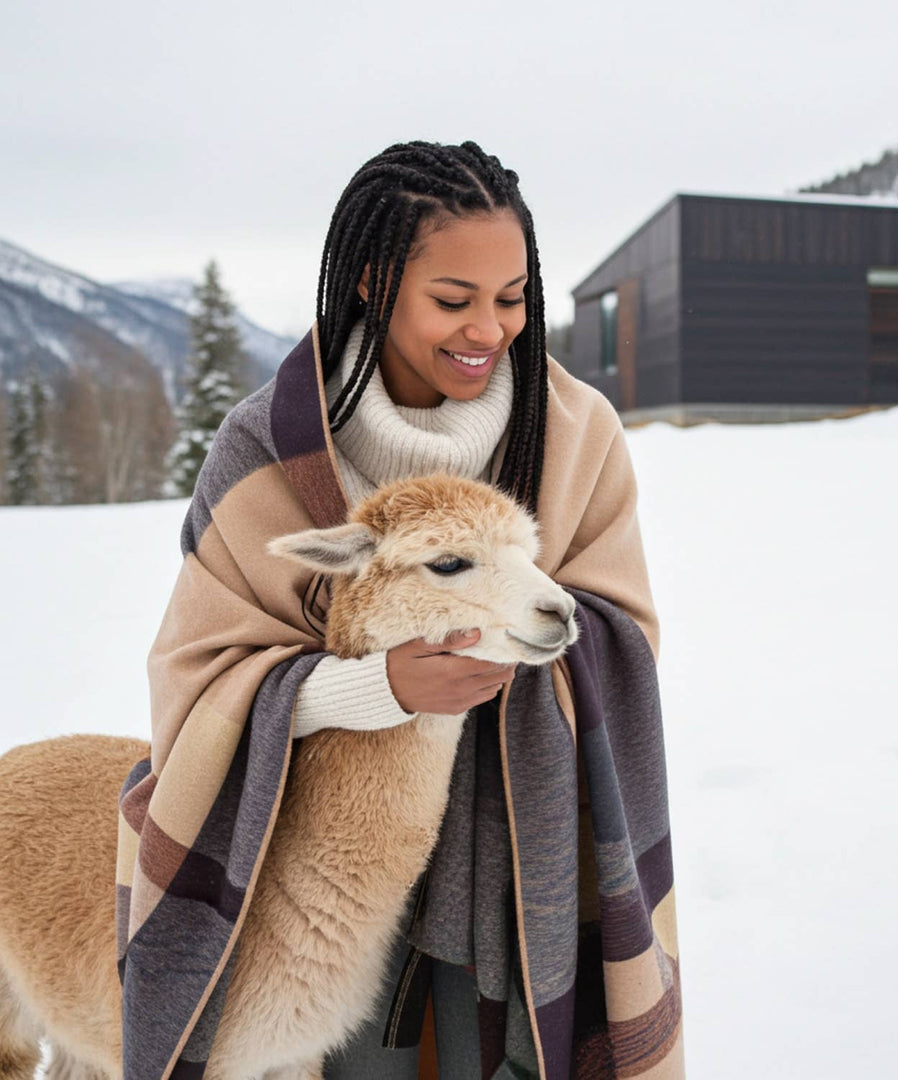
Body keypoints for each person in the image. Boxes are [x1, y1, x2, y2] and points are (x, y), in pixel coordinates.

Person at [116, 141, 684, 1080]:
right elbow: (199, 670)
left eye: (512, 298)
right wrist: (375, 687)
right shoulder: (269, 445)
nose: (489, 330)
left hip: (515, 847)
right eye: (453, 301)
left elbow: (622, 637)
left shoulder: (577, 433)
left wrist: (502, 648)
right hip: (321, 857)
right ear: (377, 283)